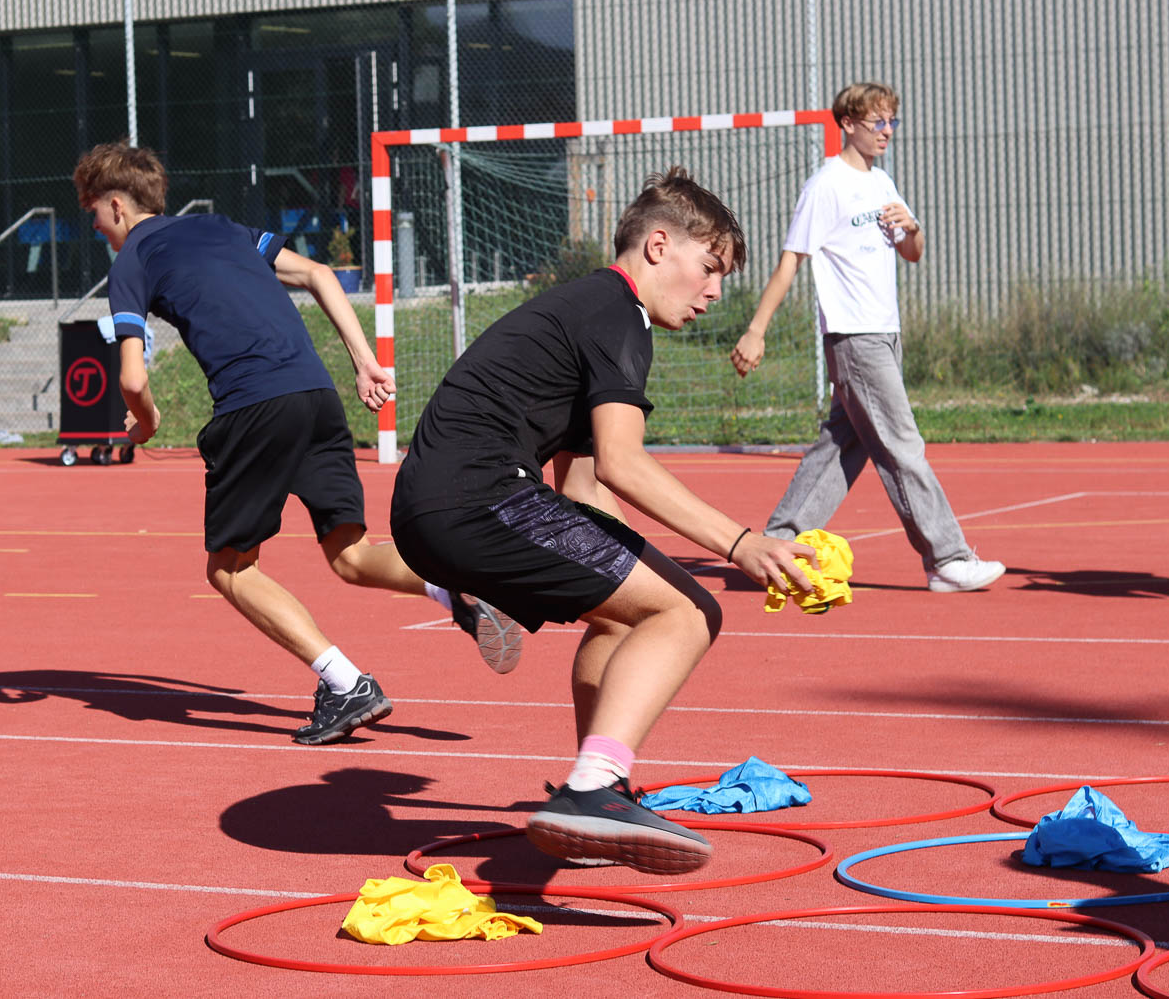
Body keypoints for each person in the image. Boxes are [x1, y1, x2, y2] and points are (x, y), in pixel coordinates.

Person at [389, 167, 818, 875]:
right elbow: (624, 463)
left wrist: (651, 574)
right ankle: (594, 789)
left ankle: (591, 798)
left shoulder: (584, 309)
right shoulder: (618, 313)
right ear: (659, 246)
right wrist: (742, 543)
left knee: (629, 615)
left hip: (436, 504)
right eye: (710, 267)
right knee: (690, 612)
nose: (716, 290)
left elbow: (585, 485)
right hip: (479, 497)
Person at [72, 141, 521, 747]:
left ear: (116, 206)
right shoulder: (221, 228)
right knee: (350, 554)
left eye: (94, 215)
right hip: (316, 395)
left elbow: (131, 378)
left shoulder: (131, 260)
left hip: (253, 406)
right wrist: (365, 362)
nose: (96, 229)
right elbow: (318, 274)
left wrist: (145, 424)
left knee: (231, 569)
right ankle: (454, 585)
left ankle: (346, 683)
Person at [729, 82, 1004, 593]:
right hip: (854, 338)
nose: (887, 131)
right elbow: (791, 260)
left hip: (885, 332)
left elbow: (912, 252)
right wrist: (756, 329)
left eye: (892, 121)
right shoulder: (825, 186)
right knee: (903, 445)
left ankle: (777, 544)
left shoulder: (882, 182)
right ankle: (947, 558)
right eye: (878, 122)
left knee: (842, 445)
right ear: (848, 124)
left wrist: (912, 227)